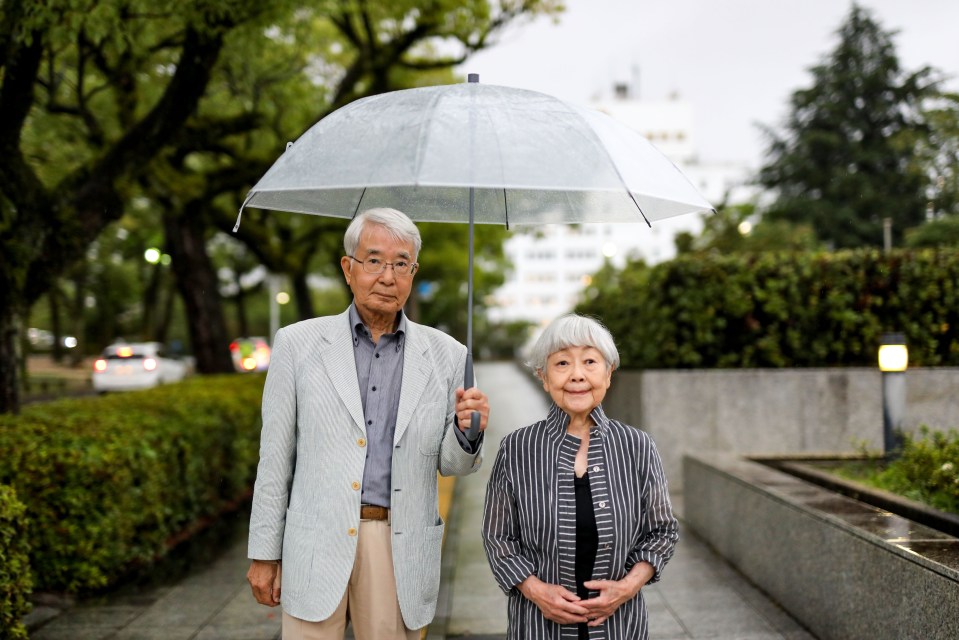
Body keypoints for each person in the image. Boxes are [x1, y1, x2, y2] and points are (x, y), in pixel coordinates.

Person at [247, 208, 490, 640]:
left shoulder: (448, 355)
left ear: (413, 272)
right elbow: (274, 459)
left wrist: (467, 431)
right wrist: (264, 553)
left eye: (401, 264)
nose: (387, 276)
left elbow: (454, 466)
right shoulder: (297, 344)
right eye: (374, 260)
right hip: (315, 541)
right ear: (348, 268)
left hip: (395, 540)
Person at [482, 314, 678, 639]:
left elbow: (662, 531)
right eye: (561, 364)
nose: (577, 375)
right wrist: (535, 591)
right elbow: (498, 537)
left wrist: (627, 588)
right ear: (543, 377)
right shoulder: (516, 448)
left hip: (620, 626)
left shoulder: (637, 445)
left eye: (589, 361)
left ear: (608, 372)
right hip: (538, 627)